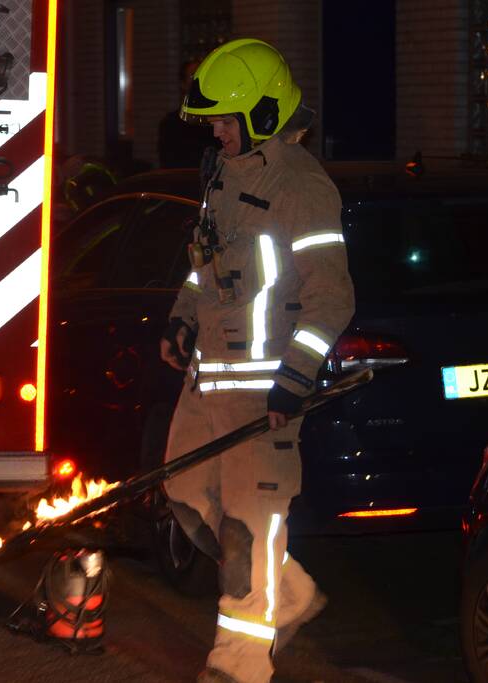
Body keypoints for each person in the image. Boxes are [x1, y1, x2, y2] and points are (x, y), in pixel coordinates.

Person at [158, 39, 355, 683]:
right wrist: (183, 316)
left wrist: (293, 382)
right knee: (184, 499)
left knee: (247, 530)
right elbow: (207, 262)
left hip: (263, 392)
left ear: (264, 114)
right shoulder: (225, 175)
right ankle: (287, 590)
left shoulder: (301, 186)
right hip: (206, 384)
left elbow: (332, 300)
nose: (215, 134)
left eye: (224, 122)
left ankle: (239, 664)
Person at [157, 59, 218, 169]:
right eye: (193, 76)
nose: (199, 80)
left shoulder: (217, 120)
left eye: (203, 74)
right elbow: (169, 166)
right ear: (183, 84)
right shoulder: (171, 124)